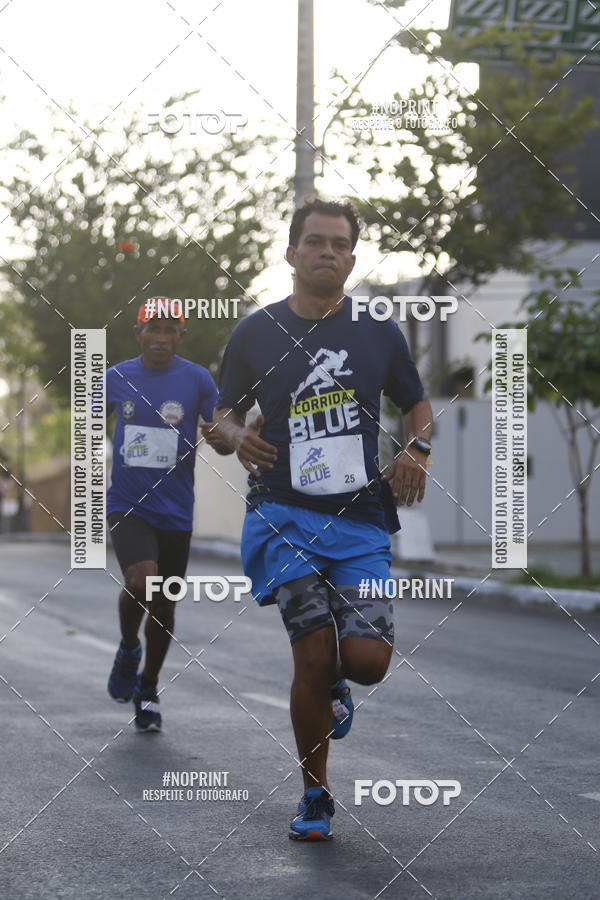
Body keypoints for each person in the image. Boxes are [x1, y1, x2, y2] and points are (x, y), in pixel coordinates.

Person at [203, 199, 433, 839]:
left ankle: (340, 681)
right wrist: (233, 436)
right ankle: (315, 795)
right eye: (315, 242)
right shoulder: (255, 332)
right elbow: (221, 417)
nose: (327, 251)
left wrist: (418, 448)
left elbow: (417, 405)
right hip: (282, 516)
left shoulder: (378, 332)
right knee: (311, 654)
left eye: (339, 244)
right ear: (291, 253)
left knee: (366, 660)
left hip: (360, 520)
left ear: (352, 259)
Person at [106, 298, 231, 732]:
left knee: (163, 605)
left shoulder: (196, 379)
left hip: (176, 510)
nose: (160, 338)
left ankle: (149, 686)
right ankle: (127, 648)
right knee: (141, 580)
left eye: (169, 330)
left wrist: (224, 439)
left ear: (181, 335)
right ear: (138, 334)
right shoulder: (115, 378)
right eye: (152, 330)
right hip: (128, 505)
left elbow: (223, 433)